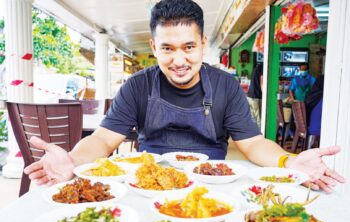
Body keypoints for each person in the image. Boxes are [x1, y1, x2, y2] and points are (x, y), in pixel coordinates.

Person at [25, 0, 345, 193]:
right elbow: (103, 141)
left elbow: (253, 144)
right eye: (167, 48)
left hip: (212, 185)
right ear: (154, 47)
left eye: (188, 47)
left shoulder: (225, 86)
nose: (179, 60)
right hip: (147, 185)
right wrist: (74, 159)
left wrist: (290, 162)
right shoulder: (137, 86)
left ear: (203, 43)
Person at [247, 63, 263, 127]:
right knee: (259, 120)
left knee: (254, 119)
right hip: (256, 97)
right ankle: (260, 136)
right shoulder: (263, 67)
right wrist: (265, 95)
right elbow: (262, 81)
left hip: (251, 96)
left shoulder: (258, 66)